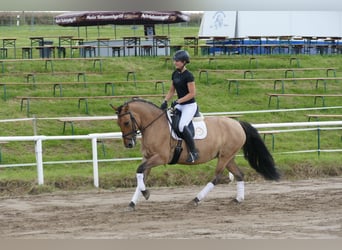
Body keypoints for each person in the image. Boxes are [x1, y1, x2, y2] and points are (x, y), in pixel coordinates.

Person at [160, 50, 199, 163]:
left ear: (184, 62)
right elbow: (172, 90)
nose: (175, 62)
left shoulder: (189, 76)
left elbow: (192, 94)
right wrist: (165, 101)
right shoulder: (175, 74)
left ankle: (194, 152)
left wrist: (178, 101)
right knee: (167, 120)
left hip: (189, 105)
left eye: (177, 61)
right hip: (180, 105)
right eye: (175, 60)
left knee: (182, 126)